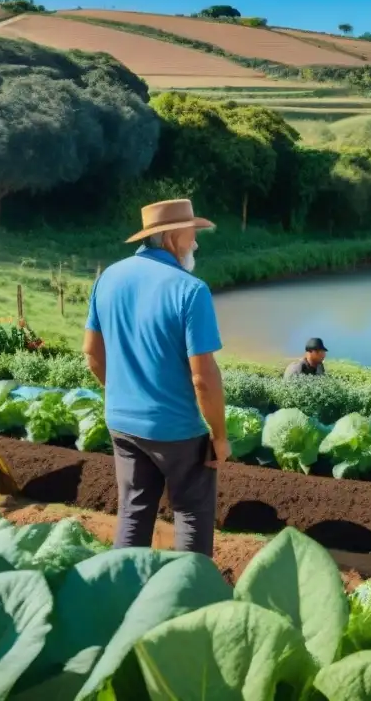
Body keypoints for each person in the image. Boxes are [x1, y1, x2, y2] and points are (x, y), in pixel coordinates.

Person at [83, 199, 229, 555]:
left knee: (133, 514)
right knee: (191, 516)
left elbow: (91, 354)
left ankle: (121, 591)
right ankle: (188, 600)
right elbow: (204, 379)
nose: (195, 241)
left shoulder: (108, 279)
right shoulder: (190, 290)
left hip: (122, 424)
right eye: (192, 232)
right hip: (178, 430)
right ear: (173, 235)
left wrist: (123, 395)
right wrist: (220, 436)